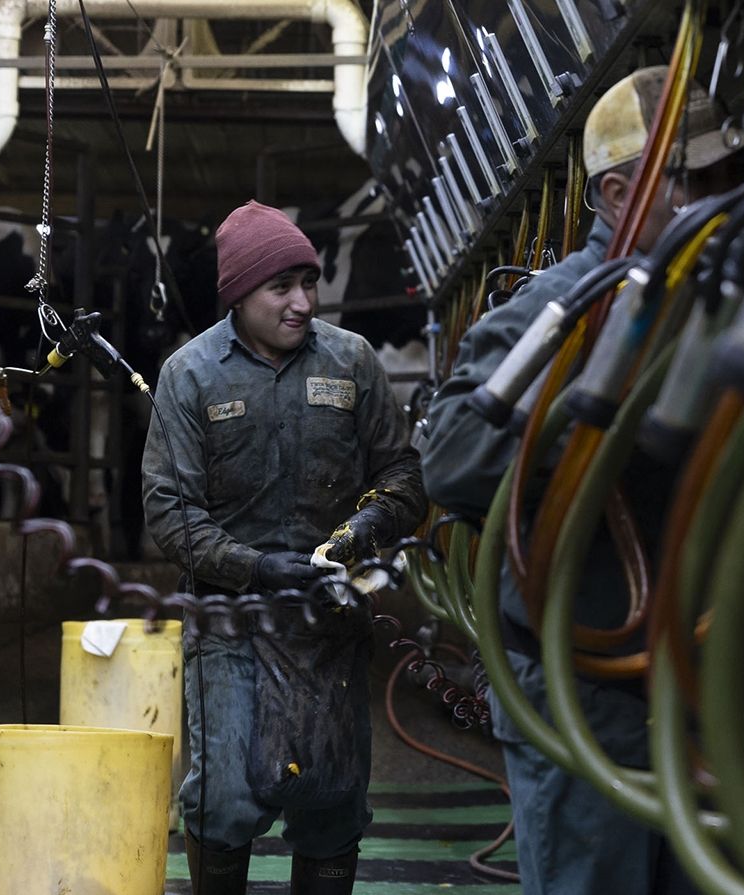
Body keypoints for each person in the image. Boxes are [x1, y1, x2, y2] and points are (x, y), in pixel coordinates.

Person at [420, 67, 744, 895]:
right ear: (616, 194)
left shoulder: (728, 306)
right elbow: (454, 459)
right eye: (695, 180)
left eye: (726, 178)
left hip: (699, 675)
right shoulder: (563, 311)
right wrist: (596, 431)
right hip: (582, 680)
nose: (721, 199)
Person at [142, 201, 425, 895]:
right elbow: (169, 511)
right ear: (239, 292)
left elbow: (402, 476)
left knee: (332, 798)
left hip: (328, 618)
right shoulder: (191, 374)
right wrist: (256, 567)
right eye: (282, 286)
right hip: (231, 619)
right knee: (227, 796)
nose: (302, 302)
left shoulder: (351, 360)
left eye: (310, 281)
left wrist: (359, 533)